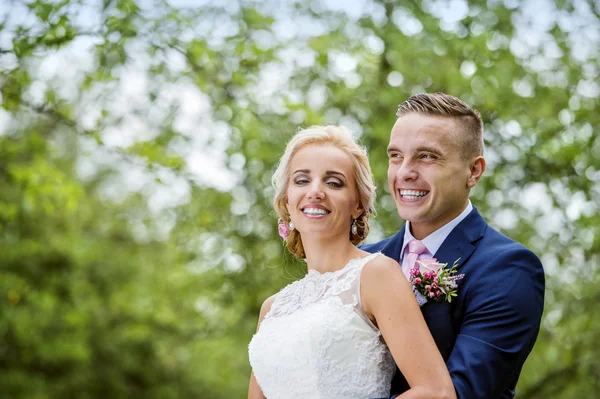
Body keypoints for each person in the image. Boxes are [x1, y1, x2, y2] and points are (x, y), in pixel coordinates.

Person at [248, 125, 456, 399]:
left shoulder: (377, 275)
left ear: (357, 204)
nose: (316, 192)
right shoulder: (272, 309)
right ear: (287, 200)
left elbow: (436, 392)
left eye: (333, 183)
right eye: (301, 180)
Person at [361, 93, 545, 398]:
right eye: (396, 156)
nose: (405, 171)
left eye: (427, 156)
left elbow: (461, 393)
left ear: (474, 171)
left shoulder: (508, 269)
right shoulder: (362, 261)